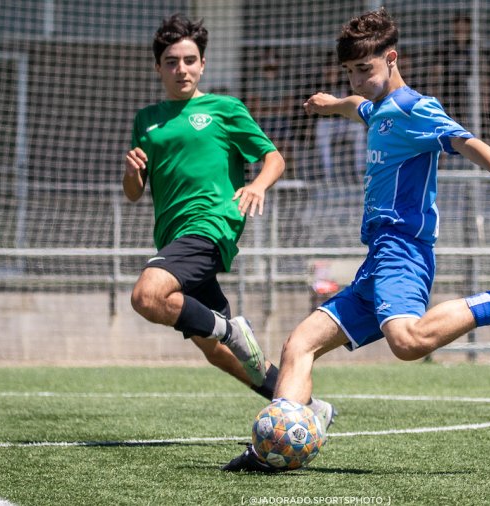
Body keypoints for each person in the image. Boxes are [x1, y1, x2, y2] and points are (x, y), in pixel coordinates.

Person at [223, 8, 490, 473]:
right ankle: (270, 453)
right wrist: (329, 102)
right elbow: (359, 107)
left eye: (365, 70)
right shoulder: (373, 106)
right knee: (299, 345)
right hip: (376, 257)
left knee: (409, 342)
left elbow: (468, 142)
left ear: (391, 59)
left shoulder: (416, 108)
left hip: (404, 250)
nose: (357, 79)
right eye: (350, 71)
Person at [123, 14, 335, 422]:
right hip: (173, 236)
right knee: (217, 352)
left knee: (147, 296)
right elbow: (134, 193)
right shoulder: (145, 120)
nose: (181, 69)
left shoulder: (224, 108)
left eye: (189, 60)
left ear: (202, 64)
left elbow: (273, 158)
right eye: (171, 61)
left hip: (211, 225)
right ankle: (307, 408)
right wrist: (131, 173)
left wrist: (257, 185)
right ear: (158, 68)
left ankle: (229, 328)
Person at [313, 52, 366, 182]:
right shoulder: (317, 85)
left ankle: (360, 171)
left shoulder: (348, 83)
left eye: (333, 68)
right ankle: (327, 174)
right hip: (327, 125)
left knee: (359, 129)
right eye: (328, 68)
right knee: (321, 129)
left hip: (346, 123)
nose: (331, 71)